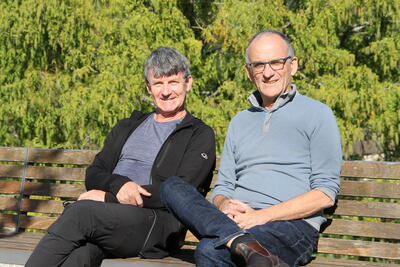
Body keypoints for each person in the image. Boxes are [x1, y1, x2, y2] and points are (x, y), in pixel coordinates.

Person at [160, 30, 342, 267]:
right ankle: (240, 243)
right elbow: (223, 187)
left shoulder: (318, 114)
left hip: (291, 227)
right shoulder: (240, 122)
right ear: (249, 72)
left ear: (293, 65)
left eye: (276, 63)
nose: (267, 73)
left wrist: (261, 216)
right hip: (237, 223)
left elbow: (325, 194)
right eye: (259, 65)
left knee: (210, 250)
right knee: (171, 187)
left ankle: (242, 245)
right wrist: (224, 204)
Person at [25, 47, 216, 267]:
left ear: (188, 83)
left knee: (81, 214)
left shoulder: (198, 134)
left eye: (173, 82)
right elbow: (95, 173)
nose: (166, 91)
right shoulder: (128, 126)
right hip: (109, 220)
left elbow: (181, 191)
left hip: (157, 223)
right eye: (158, 84)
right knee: (81, 255)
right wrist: (119, 184)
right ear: (148, 87)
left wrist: (109, 197)